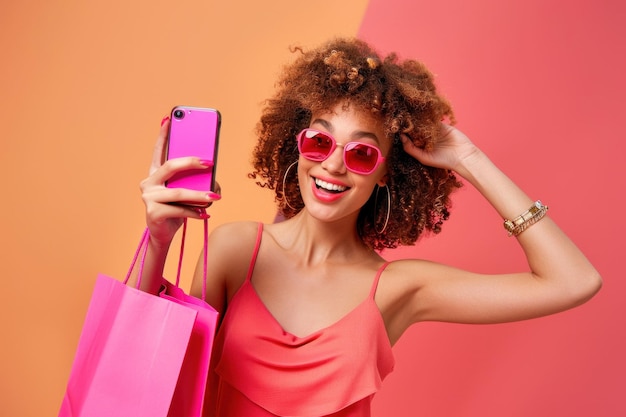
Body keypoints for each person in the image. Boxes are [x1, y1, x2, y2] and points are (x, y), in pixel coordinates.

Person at [138, 38, 601, 417]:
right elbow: (157, 372)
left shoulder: (397, 288)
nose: (334, 166)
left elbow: (573, 281)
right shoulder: (237, 249)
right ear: (296, 145)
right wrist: (157, 244)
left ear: (384, 173)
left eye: (361, 153)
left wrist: (469, 160)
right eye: (320, 141)